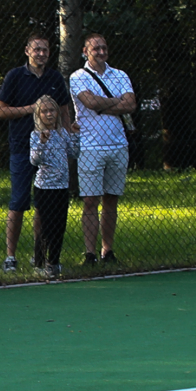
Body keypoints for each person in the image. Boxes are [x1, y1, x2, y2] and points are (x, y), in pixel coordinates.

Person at [0, 34, 73, 272]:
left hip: (52, 153)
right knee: (19, 201)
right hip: (22, 148)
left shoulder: (54, 78)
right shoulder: (15, 77)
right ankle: (11, 256)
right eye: (37, 49)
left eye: (45, 50)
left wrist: (68, 135)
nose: (41, 54)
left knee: (44, 205)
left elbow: (64, 109)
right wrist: (33, 109)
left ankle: (39, 256)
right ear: (27, 51)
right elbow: (0, 111)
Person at [69, 33, 136, 266]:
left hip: (119, 145)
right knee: (90, 200)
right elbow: (90, 103)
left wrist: (103, 104)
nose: (101, 52)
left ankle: (108, 250)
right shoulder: (78, 76)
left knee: (111, 199)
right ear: (85, 51)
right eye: (95, 48)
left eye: (104, 48)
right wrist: (116, 103)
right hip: (90, 147)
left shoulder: (120, 75)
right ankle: (90, 254)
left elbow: (131, 104)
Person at [29, 95, 81, 279]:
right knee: (46, 226)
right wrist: (42, 143)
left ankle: (54, 261)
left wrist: (75, 135)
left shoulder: (62, 133)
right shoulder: (36, 135)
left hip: (61, 187)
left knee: (59, 225)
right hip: (45, 188)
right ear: (38, 115)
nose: (49, 114)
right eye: (44, 111)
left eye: (52, 111)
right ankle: (40, 261)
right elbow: (34, 160)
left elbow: (74, 153)